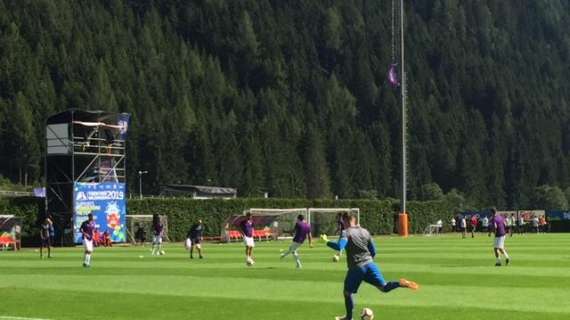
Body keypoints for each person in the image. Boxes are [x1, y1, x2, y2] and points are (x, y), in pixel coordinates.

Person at [321, 212, 418, 320]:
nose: (342, 225)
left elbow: (340, 246)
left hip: (356, 267)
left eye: (343, 222)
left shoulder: (346, 232)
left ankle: (349, 318)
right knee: (384, 287)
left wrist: (327, 241)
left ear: (346, 221)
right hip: (370, 264)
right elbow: (374, 251)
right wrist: (367, 261)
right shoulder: (365, 231)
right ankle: (400, 283)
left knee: (347, 293)